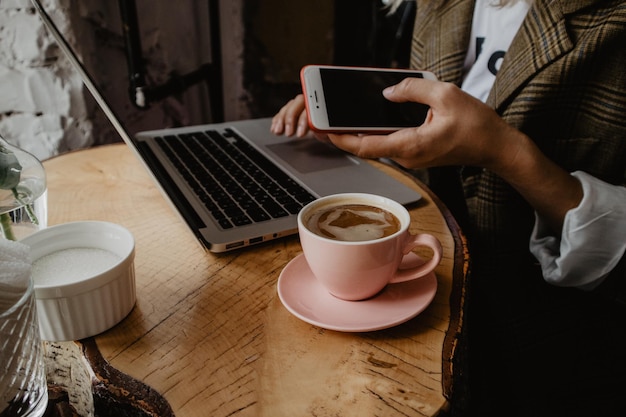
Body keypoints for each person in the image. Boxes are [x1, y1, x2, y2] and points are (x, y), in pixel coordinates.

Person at [271, 0, 626, 415]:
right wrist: (348, 118)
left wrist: (505, 152)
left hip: (549, 354)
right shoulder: (440, 5)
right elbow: (419, 129)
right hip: (416, 306)